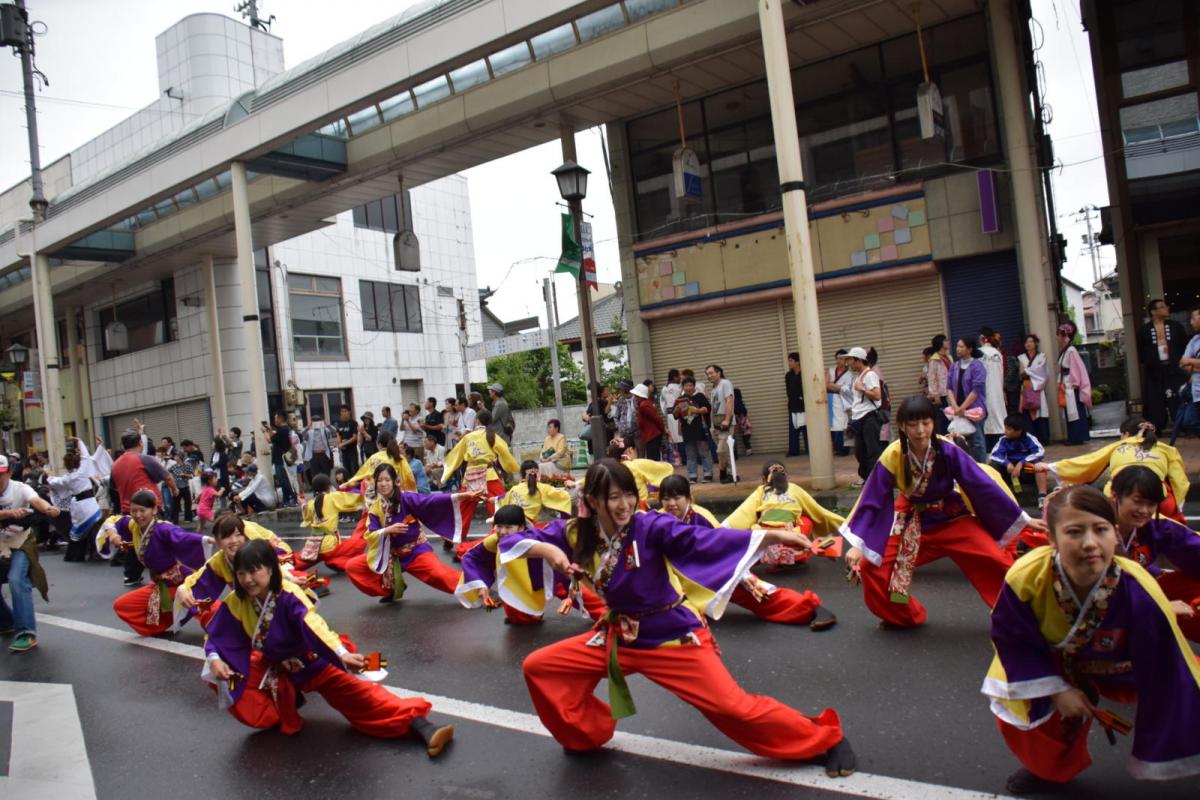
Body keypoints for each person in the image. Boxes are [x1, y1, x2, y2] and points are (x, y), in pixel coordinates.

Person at [504, 459, 856, 775]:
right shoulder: (577, 533)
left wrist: (771, 536)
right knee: (540, 667)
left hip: (672, 637)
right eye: (613, 497)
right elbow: (509, 542)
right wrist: (550, 551)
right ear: (593, 501)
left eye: (629, 494)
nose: (625, 504)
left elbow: (705, 540)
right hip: (621, 635)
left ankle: (824, 739)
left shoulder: (651, 526)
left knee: (733, 707)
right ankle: (586, 733)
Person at [982, 485, 1200, 794]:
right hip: (1050, 662)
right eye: (1074, 532)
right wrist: (1057, 691)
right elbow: (1012, 639)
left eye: (1100, 530)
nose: (1089, 543)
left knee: (1189, 691)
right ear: (1052, 539)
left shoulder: (1137, 586)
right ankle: (1050, 769)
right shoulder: (1026, 577)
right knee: (1025, 718)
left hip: (1119, 662)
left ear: (1114, 533)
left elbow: (1162, 659)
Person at [202, 540, 456, 755]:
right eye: (241, 573)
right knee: (227, 673)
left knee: (364, 695)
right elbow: (219, 635)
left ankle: (423, 727)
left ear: (270, 568)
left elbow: (313, 625)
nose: (247, 579)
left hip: (313, 661)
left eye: (253, 571)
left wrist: (341, 653)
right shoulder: (236, 601)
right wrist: (215, 658)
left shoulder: (289, 594)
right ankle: (282, 707)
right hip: (276, 668)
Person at [841, 396, 1040, 629]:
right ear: (902, 426)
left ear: (933, 423)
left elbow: (980, 485)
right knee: (870, 567)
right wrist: (859, 545)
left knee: (996, 559)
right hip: (912, 521)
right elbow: (873, 498)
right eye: (913, 424)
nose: (920, 430)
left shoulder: (948, 450)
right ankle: (903, 616)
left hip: (951, 517)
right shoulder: (893, 455)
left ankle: (1023, 616)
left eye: (925, 423)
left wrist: (1022, 519)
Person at [660, 474, 835, 629]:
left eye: (677, 497)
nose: (672, 504)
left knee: (758, 593)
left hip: (714, 571)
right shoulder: (657, 521)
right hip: (676, 582)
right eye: (666, 499)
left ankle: (810, 608)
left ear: (689, 498)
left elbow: (724, 542)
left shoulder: (700, 516)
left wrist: (742, 574)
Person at [456, 504, 605, 626]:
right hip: (522, 584)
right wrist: (481, 584)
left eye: (508, 527)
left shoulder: (537, 536)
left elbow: (562, 534)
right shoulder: (495, 540)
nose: (502, 532)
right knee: (522, 620)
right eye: (499, 526)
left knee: (596, 604)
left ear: (521, 527)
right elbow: (472, 557)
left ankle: (617, 620)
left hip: (554, 577)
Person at [344, 464, 465, 601]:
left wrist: (458, 496)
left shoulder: (406, 498)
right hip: (388, 555)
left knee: (440, 574)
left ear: (395, 482)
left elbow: (429, 501)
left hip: (415, 550)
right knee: (353, 566)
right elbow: (370, 535)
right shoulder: (375, 508)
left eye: (387, 480)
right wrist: (387, 530)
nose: (383, 484)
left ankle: (477, 588)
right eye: (380, 480)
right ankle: (392, 589)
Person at [1035, 416, 1188, 524]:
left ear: (1126, 434)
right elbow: (1180, 481)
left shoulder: (1119, 446)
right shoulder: (1167, 449)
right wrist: (1178, 507)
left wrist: (1050, 466)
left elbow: (1088, 462)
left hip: (1117, 498)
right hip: (1158, 499)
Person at [97, 490, 208, 636]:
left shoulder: (163, 528)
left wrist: (210, 540)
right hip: (162, 585)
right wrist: (113, 534)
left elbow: (185, 538)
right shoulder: (133, 525)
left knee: (216, 614)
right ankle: (164, 624)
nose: (137, 515)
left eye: (142, 510)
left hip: (185, 583)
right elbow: (112, 521)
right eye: (133, 511)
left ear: (154, 509)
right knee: (122, 605)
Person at [722, 460, 845, 572]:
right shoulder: (795, 488)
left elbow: (743, 514)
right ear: (786, 476)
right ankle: (798, 556)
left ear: (764, 479)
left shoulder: (761, 490)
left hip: (764, 536)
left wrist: (718, 529)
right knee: (806, 520)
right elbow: (819, 512)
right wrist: (847, 524)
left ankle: (749, 560)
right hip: (790, 534)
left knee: (752, 525)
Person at [175, 513, 292, 628]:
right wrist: (183, 589)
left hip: (280, 607)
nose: (234, 541)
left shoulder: (261, 552)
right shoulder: (220, 561)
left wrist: (289, 577)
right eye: (227, 536)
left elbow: (286, 562)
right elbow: (200, 581)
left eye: (238, 535)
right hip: (250, 611)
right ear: (217, 541)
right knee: (220, 623)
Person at [0, 454, 61, 653]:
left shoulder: (20, 488)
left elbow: (35, 500)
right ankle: (6, 621)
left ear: (8, 472)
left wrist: (49, 508)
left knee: (17, 580)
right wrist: (9, 514)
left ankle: (26, 632)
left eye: (1, 474)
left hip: (21, 541)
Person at [439, 409, 519, 552]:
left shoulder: (468, 437)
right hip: (488, 475)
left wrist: (445, 473)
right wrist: (513, 468)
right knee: (500, 505)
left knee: (461, 511)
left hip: (470, 476)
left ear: (477, 421)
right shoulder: (493, 436)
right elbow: (505, 452)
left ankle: (451, 539)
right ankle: (504, 536)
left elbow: (455, 456)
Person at [45, 436, 109, 562]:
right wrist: (79, 440)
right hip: (90, 503)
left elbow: (53, 481)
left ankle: (76, 555)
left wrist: (49, 476)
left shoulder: (67, 478)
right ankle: (97, 553)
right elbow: (85, 456)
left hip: (78, 506)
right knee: (95, 528)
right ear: (78, 463)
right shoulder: (82, 472)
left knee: (80, 531)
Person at [295, 473, 368, 572]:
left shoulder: (311, 503)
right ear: (329, 486)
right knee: (358, 542)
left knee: (297, 563)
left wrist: (303, 504)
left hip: (313, 544)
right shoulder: (332, 497)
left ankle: (281, 568)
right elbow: (354, 499)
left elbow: (307, 517)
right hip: (329, 545)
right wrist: (365, 489)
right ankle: (333, 561)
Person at [1137, 298, 1189, 432]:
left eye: (1165, 306)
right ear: (1153, 312)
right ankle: (1156, 427)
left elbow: (1185, 346)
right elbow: (1141, 352)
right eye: (1161, 307)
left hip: (1175, 369)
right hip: (1155, 371)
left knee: (1177, 397)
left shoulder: (1175, 326)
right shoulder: (1144, 330)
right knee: (1155, 400)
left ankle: (1184, 426)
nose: (1166, 308)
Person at [112, 428, 178, 513]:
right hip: (148, 509)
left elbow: (114, 488)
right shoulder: (144, 459)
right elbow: (167, 477)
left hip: (128, 511)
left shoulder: (115, 465)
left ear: (123, 446)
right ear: (140, 443)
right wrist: (174, 490)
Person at [989, 415, 1049, 507]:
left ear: (1019, 431)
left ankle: (1042, 497)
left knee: (1040, 467)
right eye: (1005, 428)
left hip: (1026, 471)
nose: (1005, 431)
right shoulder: (1003, 440)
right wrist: (1007, 463)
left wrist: (1022, 462)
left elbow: (1040, 452)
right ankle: (995, 496)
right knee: (992, 466)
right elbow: (994, 455)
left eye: (1009, 429)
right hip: (1010, 472)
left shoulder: (1029, 439)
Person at [845, 347, 885, 486]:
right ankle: (866, 477)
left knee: (873, 450)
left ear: (858, 360)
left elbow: (877, 395)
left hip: (869, 417)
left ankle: (877, 480)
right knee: (860, 450)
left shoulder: (870, 375)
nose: (848, 362)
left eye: (850, 359)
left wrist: (862, 388)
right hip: (860, 418)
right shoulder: (859, 376)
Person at [946, 336, 989, 462]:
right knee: (959, 442)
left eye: (961, 346)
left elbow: (976, 390)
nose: (958, 349)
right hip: (958, 410)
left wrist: (962, 407)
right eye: (957, 346)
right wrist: (955, 407)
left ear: (969, 349)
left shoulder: (977, 366)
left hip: (974, 410)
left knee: (977, 442)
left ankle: (982, 468)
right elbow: (949, 388)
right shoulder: (954, 366)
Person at [497, 461, 573, 526]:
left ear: (521, 475)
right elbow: (563, 496)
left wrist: (495, 499)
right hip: (530, 523)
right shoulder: (543, 488)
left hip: (511, 521)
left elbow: (503, 498)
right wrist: (568, 487)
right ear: (538, 474)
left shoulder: (514, 489)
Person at [1055, 321, 1092, 445]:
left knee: (1074, 411)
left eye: (1058, 335)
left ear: (1064, 336)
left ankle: (1077, 437)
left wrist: (1075, 382)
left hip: (1071, 384)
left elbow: (1075, 367)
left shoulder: (1070, 350)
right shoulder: (1067, 350)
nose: (1057, 338)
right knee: (1071, 411)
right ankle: (1074, 436)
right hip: (1067, 383)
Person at [673, 376, 713, 483]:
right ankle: (692, 476)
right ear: (683, 387)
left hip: (700, 429)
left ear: (694, 386)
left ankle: (708, 474)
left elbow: (707, 409)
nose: (688, 387)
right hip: (687, 431)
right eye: (686, 385)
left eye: (690, 385)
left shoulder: (700, 396)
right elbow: (675, 416)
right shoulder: (680, 399)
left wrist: (697, 410)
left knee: (704, 452)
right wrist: (677, 409)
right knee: (690, 454)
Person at [1170, 304, 1200, 445]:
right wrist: (1194, 363)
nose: (1191, 322)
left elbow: (1188, 362)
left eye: (1194, 318)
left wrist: (1191, 362)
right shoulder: (1194, 341)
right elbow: (1182, 363)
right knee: (1190, 421)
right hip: (1196, 391)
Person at [1016, 334, 1050, 445]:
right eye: (1026, 342)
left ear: (1035, 343)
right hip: (1026, 386)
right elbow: (1021, 373)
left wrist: (1028, 372)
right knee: (1027, 411)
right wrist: (1030, 373)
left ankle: (1043, 438)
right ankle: (1031, 438)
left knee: (1041, 412)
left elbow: (1043, 372)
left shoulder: (1042, 356)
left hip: (1037, 388)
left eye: (1031, 341)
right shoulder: (1021, 357)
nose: (1028, 344)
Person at [704, 364, 736, 484]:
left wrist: (727, 419)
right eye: (707, 374)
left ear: (718, 373)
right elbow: (714, 407)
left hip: (724, 423)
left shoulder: (725, 383)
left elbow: (730, 400)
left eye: (711, 373)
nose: (709, 376)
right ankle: (730, 474)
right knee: (723, 451)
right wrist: (711, 426)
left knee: (721, 450)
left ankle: (723, 474)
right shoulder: (714, 388)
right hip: (716, 424)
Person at [978, 328, 1008, 451]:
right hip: (998, 393)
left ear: (981, 338)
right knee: (999, 421)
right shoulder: (998, 353)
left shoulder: (978, 353)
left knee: (986, 422)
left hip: (984, 393)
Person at [263, 412, 297, 507]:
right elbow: (275, 437)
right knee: (283, 480)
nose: (274, 420)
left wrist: (264, 431)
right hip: (280, 458)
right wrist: (269, 429)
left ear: (280, 419)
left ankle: (291, 498)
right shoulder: (284, 429)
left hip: (281, 459)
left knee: (284, 480)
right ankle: (287, 499)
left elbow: (270, 439)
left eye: (275, 418)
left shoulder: (283, 430)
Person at [825, 349, 853, 456]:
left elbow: (847, 388)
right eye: (837, 358)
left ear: (846, 360)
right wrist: (835, 386)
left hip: (841, 400)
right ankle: (836, 448)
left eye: (841, 359)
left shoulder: (849, 374)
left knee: (842, 423)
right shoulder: (831, 370)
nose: (838, 361)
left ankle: (844, 449)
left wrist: (832, 385)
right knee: (831, 424)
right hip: (830, 399)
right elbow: (825, 385)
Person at [632, 383, 666, 461]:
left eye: (636, 395)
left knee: (653, 459)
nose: (635, 397)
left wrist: (663, 430)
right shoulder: (644, 404)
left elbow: (657, 418)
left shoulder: (644, 405)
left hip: (652, 435)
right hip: (651, 435)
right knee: (653, 458)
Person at [926, 336, 951, 435]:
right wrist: (935, 395)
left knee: (951, 420)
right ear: (940, 343)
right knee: (943, 421)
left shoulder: (948, 357)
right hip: (942, 395)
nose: (948, 342)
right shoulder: (934, 359)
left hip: (950, 393)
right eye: (945, 340)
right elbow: (932, 378)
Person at [660, 369, 684, 464]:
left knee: (673, 437)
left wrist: (665, 413)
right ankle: (684, 459)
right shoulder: (679, 387)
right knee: (681, 436)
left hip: (670, 415)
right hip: (679, 413)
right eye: (679, 376)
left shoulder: (664, 388)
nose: (680, 378)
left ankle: (677, 460)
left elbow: (662, 403)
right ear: (674, 377)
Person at [301, 413, 334, 482]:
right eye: (314, 422)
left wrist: (327, 424)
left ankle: (326, 488)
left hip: (324, 454)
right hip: (314, 455)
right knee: (315, 474)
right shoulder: (309, 432)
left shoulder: (325, 430)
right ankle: (316, 490)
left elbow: (333, 432)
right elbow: (302, 434)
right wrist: (308, 426)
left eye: (318, 421)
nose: (316, 424)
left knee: (326, 474)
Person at [333, 405, 360, 477]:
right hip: (343, 451)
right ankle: (348, 486)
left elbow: (355, 437)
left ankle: (356, 487)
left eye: (345, 411)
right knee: (345, 470)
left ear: (349, 412)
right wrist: (340, 443)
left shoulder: (353, 423)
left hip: (352, 450)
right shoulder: (339, 423)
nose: (343, 413)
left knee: (354, 469)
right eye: (342, 411)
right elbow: (338, 434)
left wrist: (344, 443)